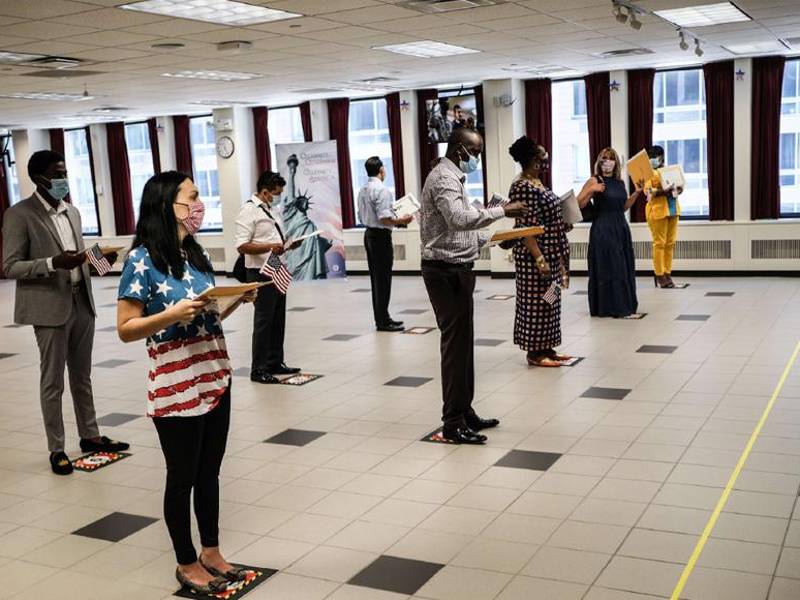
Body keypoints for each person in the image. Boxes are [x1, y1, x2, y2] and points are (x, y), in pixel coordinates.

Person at [117, 171, 256, 596]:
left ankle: (211, 551)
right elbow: (126, 327)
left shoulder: (195, 255)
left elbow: (206, 315)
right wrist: (169, 315)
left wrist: (233, 301)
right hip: (176, 383)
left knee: (209, 471)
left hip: (214, 373)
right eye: (193, 197)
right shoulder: (141, 259)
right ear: (168, 205)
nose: (200, 204)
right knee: (182, 477)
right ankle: (185, 561)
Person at [2, 150, 127, 475]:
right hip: (48, 308)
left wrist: (102, 263)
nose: (64, 180)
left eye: (65, 173)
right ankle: (56, 448)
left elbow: (78, 255)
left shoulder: (72, 212)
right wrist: (52, 264)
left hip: (80, 302)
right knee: (52, 380)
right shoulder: (19, 214)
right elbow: (10, 266)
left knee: (82, 376)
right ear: (40, 178)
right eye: (58, 174)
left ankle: (90, 435)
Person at [419, 127, 527, 444]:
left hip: (457, 268)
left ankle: (465, 411)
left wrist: (498, 239)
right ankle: (452, 423)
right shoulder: (443, 178)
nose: (477, 158)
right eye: (476, 152)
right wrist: (501, 212)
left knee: (464, 346)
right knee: (455, 348)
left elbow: (461, 233)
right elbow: (458, 220)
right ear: (460, 150)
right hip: (445, 272)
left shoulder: (453, 178)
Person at [507, 136, 572, 367]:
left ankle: (548, 347)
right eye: (543, 156)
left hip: (553, 252)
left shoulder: (537, 183)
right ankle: (534, 353)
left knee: (551, 300)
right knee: (536, 303)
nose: (546, 160)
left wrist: (564, 223)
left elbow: (547, 218)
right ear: (534, 160)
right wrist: (539, 259)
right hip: (535, 257)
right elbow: (526, 228)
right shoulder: (521, 187)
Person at [235, 170, 301, 384]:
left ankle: (275, 362)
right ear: (264, 192)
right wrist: (270, 246)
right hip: (260, 271)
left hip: (276, 266)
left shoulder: (270, 209)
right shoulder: (249, 210)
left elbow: (275, 238)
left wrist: (289, 243)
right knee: (264, 320)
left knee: (278, 318)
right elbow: (242, 245)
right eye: (276, 193)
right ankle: (258, 369)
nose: (279, 196)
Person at [578, 148, 644, 318]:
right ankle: (607, 307)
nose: (607, 162)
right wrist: (592, 189)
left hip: (620, 226)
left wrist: (636, 193)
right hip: (603, 227)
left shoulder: (620, 182)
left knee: (622, 267)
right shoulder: (594, 179)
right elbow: (578, 203)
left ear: (616, 162)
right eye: (604, 159)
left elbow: (622, 207)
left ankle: (623, 304)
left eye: (611, 158)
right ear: (599, 162)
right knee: (609, 266)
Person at [356, 156, 413, 332]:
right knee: (383, 279)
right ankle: (383, 321)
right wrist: (402, 219)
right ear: (381, 170)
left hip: (369, 235)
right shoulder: (382, 190)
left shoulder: (363, 189)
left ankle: (382, 317)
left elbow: (362, 215)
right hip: (380, 237)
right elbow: (385, 218)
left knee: (376, 279)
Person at [281, 154, 333, 280]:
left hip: (311, 248)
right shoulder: (292, 213)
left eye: (306, 202)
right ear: (297, 203)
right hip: (299, 250)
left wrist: (322, 241)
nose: (305, 204)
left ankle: (315, 274)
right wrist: (292, 173)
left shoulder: (307, 221)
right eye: (302, 201)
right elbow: (291, 192)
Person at [645, 145, 683, 288]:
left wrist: (677, 189)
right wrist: (663, 191)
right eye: (651, 157)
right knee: (659, 243)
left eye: (655, 156)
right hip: (657, 211)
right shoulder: (649, 172)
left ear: (662, 157)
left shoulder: (670, 171)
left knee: (670, 243)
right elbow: (647, 191)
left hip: (673, 209)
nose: (653, 159)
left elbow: (680, 188)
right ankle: (659, 274)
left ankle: (667, 272)